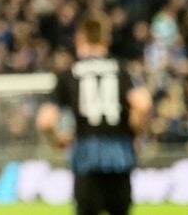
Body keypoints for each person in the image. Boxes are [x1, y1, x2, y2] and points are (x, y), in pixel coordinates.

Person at [36, 13, 152, 215]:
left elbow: (45, 121)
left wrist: (57, 141)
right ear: (106, 39)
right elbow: (142, 104)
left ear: (79, 38)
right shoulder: (121, 69)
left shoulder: (69, 73)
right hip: (120, 154)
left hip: (85, 155)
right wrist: (136, 131)